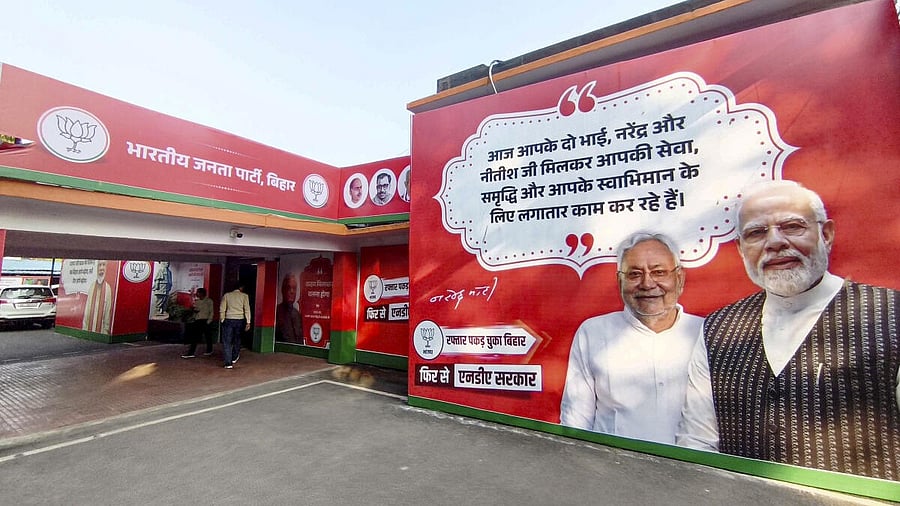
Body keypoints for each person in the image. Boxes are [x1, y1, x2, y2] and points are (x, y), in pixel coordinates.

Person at [677, 180, 900, 480]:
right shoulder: (719, 328)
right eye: (757, 233)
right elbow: (698, 446)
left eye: (792, 226)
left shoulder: (891, 315)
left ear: (826, 234)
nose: (775, 242)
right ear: (742, 249)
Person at [560, 232, 703, 444]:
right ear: (620, 282)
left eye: (659, 272)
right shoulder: (593, 332)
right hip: (611, 469)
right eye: (634, 274)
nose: (647, 283)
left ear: (679, 278)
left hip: (693, 471)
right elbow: (575, 420)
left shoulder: (706, 332)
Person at [219, 281, 251, 369]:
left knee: (227, 341)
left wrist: (222, 319)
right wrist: (248, 321)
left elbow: (222, 308)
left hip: (228, 320)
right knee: (238, 339)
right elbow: (247, 309)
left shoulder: (227, 295)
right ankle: (234, 356)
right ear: (241, 288)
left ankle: (228, 363)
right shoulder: (245, 296)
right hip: (240, 320)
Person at [181, 288, 214, 358]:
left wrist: (209, 321)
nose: (197, 294)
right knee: (195, 337)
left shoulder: (209, 301)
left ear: (202, 293)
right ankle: (191, 352)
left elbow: (211, 312)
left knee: (208, 336)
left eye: (198, 293)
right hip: (198, 320)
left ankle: (209, 350)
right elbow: (195, 310)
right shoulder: (197, 301)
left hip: (206, 320)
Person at [83, 259, 113, 334]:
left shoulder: (107, 288)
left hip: (101, 330)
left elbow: (107, 312)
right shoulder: (92, 286)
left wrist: (105, 331)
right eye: (100, 265)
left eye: (103, 265)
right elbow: (87, 309)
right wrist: (84, 328)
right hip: (88, 328)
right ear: (96, 268)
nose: (101, 268)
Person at [275, 273, 303, 343]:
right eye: (288, 287)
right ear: (282, 290)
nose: (292, 291)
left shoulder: (297, 315)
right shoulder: (276, 312)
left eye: (294, 288)